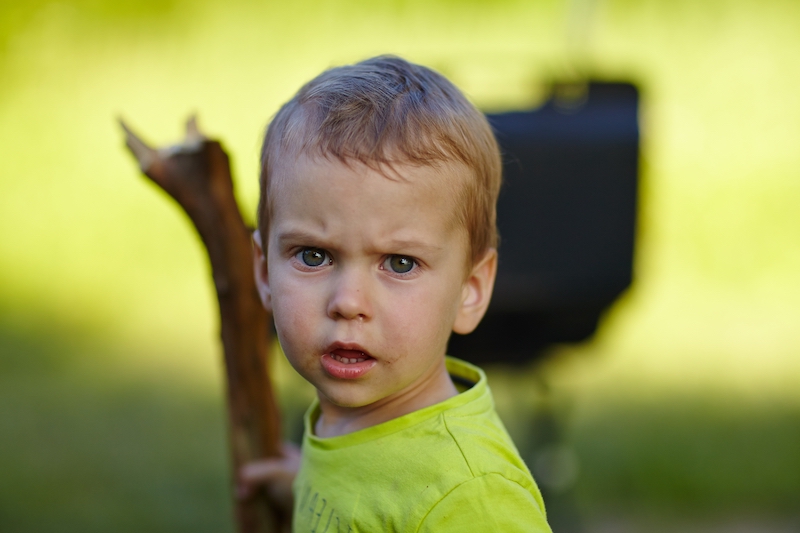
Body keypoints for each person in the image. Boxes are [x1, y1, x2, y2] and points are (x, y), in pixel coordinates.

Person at [241, 55, 552, 532]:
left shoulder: (470, 495)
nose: (348, 301)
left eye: (400, 263)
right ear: (263, 272)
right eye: (313, 256)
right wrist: (309, 484)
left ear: (470, 290)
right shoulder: (351, 426)